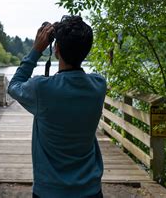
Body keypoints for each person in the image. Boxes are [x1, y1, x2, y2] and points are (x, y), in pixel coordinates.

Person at [8, 16, 107, 198]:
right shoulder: (99, 85)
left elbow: (14, 85)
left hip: (49, 191)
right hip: (91, 190)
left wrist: (36, 50)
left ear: (56, 49)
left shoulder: (42, 88)